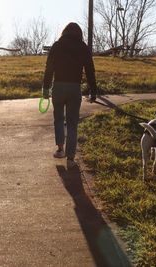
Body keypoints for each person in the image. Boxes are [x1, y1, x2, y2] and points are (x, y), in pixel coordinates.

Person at [42, 22, 97, 169]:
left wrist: (46, 88)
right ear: (79, 33)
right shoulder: (83, 47)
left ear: (64, 32)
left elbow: (49, 68)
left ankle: (60, 150)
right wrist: (93, 90)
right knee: (72, 123)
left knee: (58, 119)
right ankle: (71, 158)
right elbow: (90, 70)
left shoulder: (57, 45)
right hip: (74, 88)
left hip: (58, 87)